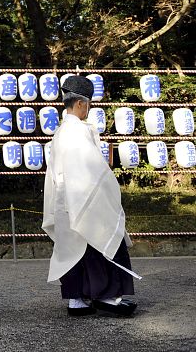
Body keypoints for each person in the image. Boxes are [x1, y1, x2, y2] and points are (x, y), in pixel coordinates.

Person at [43, 75, 140, 316]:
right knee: (98, 242)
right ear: (80, 104)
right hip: (83, 198)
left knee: (72, 249)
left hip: (65, 201)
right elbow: (94, 170)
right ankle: (106, 296)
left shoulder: (61, 132)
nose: (89, 109)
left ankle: (77, 300)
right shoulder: (76, 133)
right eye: (89, 104)